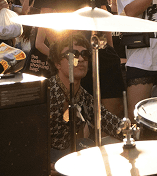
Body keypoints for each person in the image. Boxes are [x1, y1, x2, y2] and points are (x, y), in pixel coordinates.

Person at [48, 34, 124, 165]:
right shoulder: (47, 93)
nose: (81, 58)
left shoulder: (84, 96)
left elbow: (109, 121)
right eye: (73, 54)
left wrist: (132, 132)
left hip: (73, 158)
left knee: (116, 145)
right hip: (48, 162)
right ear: (57, 63)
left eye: (84, 54)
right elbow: (29, 137)